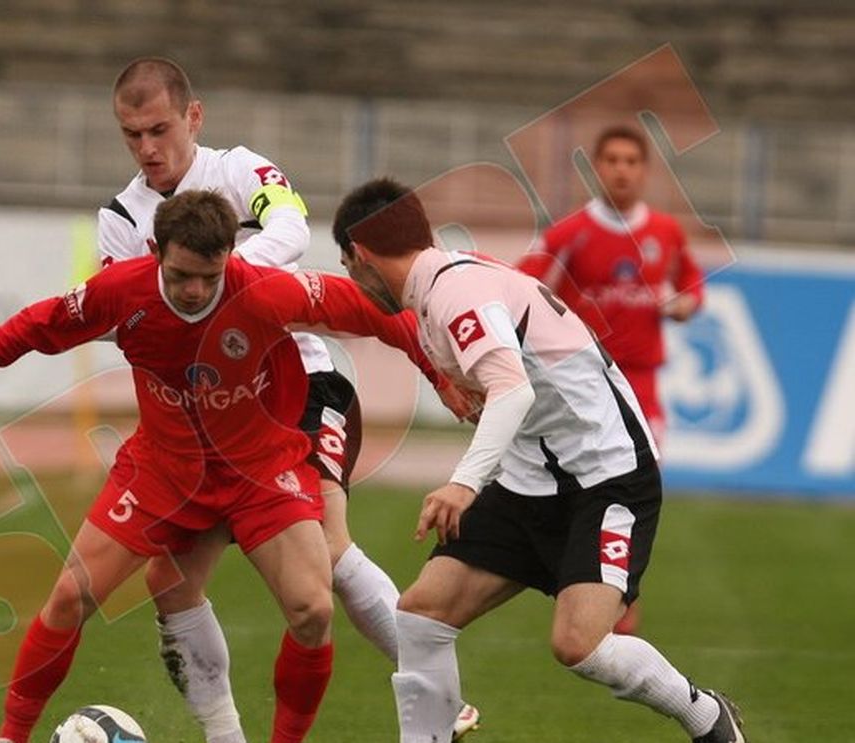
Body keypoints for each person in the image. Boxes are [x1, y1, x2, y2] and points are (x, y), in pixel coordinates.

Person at [0, 190, 440, 743]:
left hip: (260, 470)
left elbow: (377, 313)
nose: (197, 290)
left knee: (312, 609)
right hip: (164, 470)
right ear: (156, 251)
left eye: (211, 274)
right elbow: (44, 323)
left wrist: (444, 377)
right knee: (68, 597)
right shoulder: (121, 291)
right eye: (181, 275)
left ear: (231, 253)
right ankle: (10, 738)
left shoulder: (266, 291)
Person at [97, 56, 480, 743]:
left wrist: (224, 281)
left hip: (305, 383)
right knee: (170, 580)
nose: (148, 149)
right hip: (212, 418)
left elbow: (296, 232)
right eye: (132, 136)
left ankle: (442, 701)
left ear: (194, 117)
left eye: (159, 129)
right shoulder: (122, 217)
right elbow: (128, 313)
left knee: (326, 548)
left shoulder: (244, 170)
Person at [330, 178, 748, 743]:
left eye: (348, 265)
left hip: (608, 477)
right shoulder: (444, 283)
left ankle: (705, 716)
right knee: (421, 614)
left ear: (359, 255)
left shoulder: (455, 294)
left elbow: (514, 390)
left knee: (578, 645)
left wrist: (462, 484)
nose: (354, 279)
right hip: (532, 480)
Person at [516, 125, 705, 634]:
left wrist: (682, 305)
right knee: (582, 488)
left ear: (645, 170)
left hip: (642, 386)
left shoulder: (666, 232)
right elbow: (525, 285)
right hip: (583, 386)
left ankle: (622, 594)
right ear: (596, 168)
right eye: (612, 160)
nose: (621, 169)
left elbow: (690, 287)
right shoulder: (568, 233)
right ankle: (591, 587)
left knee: (637, 488)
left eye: (631, 161)